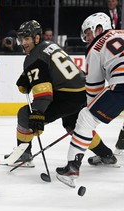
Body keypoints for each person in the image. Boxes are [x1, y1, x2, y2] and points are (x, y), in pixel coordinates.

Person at [5, 20, 116, 168]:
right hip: (83, 91)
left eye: (27, 38)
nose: (23, 43)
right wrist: (27, 76)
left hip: (67, 96)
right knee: (74, 125)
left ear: (37, 38)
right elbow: (50, 68)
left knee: (25, 114)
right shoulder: (51, 45)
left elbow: (44, 93)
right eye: (21, 39)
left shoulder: (33, 58)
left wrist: (37, 114)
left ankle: (24, 154)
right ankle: (106, 155)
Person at [56, 12, 124, 188]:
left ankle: (72, 168)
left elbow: (94, 87)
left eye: (88, 32)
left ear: (99, 29)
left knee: (85, 118)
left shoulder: (96, 46)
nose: (87, 37)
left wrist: (89, 107)